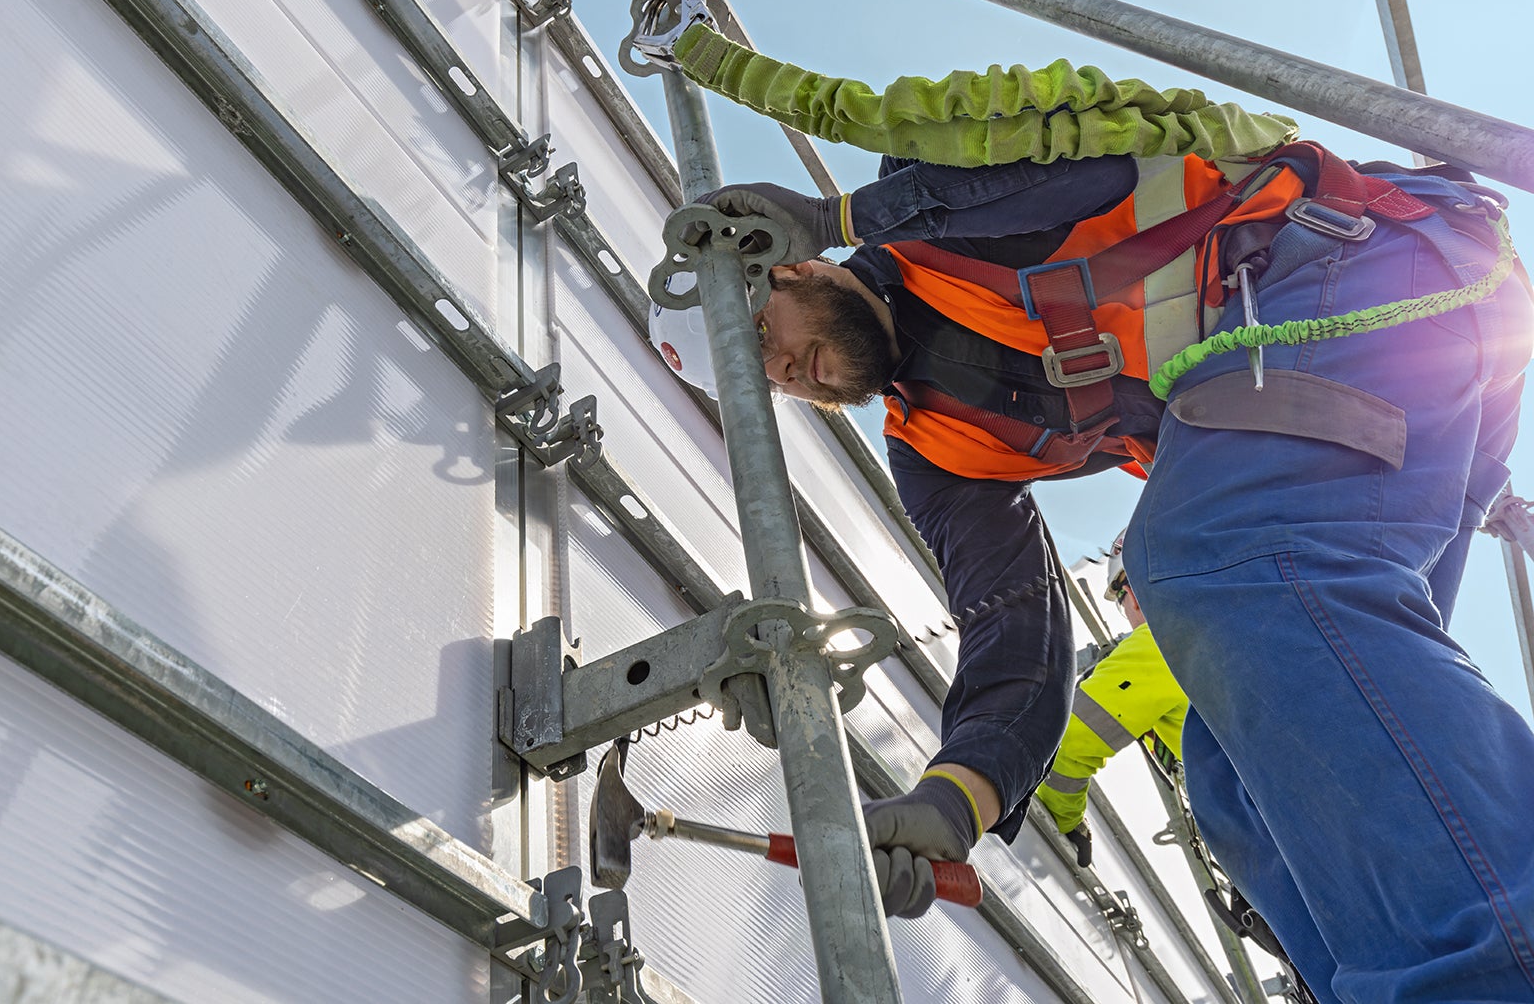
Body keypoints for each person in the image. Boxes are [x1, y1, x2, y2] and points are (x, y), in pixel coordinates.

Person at [649, 145, 1534, 1000]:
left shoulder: (933, 208)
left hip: (1362, 261)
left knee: (1225, 559)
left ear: (795, 268)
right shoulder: (937, 449)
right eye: (760, 377)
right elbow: (1015, 632)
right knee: (1237, 767)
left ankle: (1495, 972)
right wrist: (959, 798)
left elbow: (1080, 169)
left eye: (762, 333)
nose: (785, 371)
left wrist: (841, 214)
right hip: (1407, 392)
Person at [1032, 530, 1183, 869]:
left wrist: (1067, 820)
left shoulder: (1164, 640)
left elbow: (1066, 741)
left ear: (1133, 594)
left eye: (1120, 603)